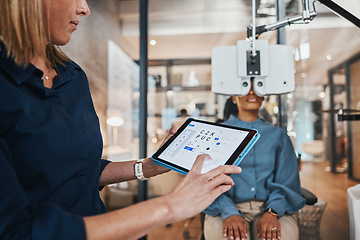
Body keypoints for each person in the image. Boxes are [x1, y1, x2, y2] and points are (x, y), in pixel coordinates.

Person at [0, 1, 242, 239]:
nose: (85, 9)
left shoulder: (71, 76)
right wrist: (171, 206)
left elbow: (83, 170)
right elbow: (16, 231)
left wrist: (148, 166)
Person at [203, 79, 306, 240]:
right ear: (234, 97)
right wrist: (229, 212)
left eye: (257, 87)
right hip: (224, 208)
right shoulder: (217, 133)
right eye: (244, 87)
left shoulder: (278, 136)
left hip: (274, 207)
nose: (251, 92)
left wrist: (272, 212)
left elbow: (287, 182)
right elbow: (208, 181)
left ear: (263, 95)